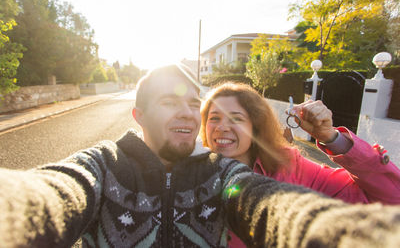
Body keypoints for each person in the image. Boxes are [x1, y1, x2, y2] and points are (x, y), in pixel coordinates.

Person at [1, 65, 400, 248]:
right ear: (138, 115)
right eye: (213, 116)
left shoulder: (236, 173)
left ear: (256, 125)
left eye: (194, 104)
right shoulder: (105, 164)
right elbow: (56, 189)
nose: (215, 124)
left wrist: (353, 233)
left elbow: (275, 206)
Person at [200, 82, 400, 247]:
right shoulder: (186, 174)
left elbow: (390, 199)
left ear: (256, 127)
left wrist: (332, 138)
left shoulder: (291, 168)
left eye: (236, 118)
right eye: (214, 118)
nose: (222, 127)